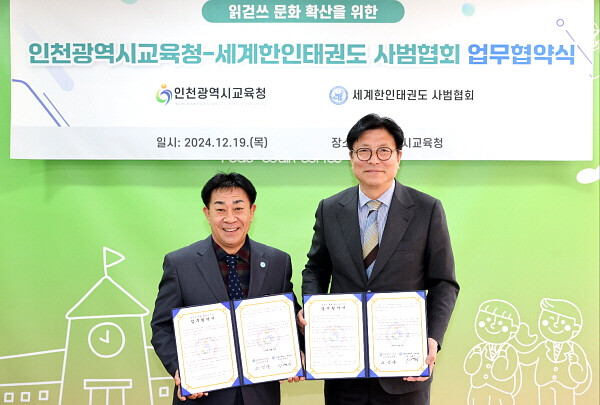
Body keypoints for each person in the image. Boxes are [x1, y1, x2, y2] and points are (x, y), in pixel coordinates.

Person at [298, 113, 459, 405]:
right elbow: (316, 269)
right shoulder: (330, 209)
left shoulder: (427, 209)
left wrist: (433, 338)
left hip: (404, 371)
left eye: (384, 151)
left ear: (398, 157)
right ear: (351, 158)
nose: (374, 160)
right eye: (364, 151)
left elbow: (443, 282)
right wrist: (313, 308)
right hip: (344, 368)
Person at [151, 172, 301, 405]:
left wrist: (296, 355)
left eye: (238, 208)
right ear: (207, 213)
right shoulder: (180, 264)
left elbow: (290, 317)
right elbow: (162, 327)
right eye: (220, 209)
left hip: (260, 395)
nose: (230, 218)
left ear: (252, 212)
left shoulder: (277, 262)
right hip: (204, 395)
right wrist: (182, 369)